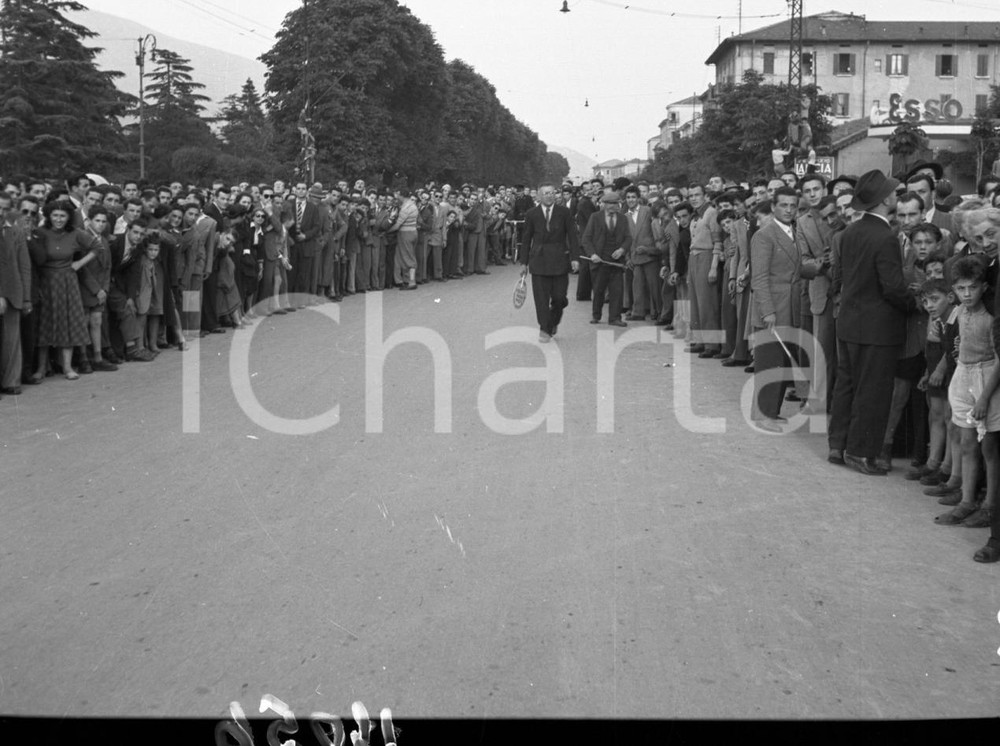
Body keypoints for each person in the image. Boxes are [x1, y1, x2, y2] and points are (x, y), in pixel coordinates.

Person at [827, 170, 916, 475]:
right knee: (874, 390)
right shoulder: (885, 237)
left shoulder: (850, 232)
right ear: (884, 200)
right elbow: (891, 286)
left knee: (846, 385)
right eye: (891, 191)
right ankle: (861, 452)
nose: (895, 194)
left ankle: (837, 446)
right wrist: (912, 302)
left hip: (850, 322)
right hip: (878, 327)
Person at [27, 199, 100, 381]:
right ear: (49, 216)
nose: (59, 219)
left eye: (63, 216)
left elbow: (96, 247)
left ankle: (67, 367)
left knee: (67, 323)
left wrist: (78, 263)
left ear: (68, 218)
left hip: (68, 282)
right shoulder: (40, 233)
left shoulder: (76, 233)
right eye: (55, 215)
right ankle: (41, 369)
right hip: (46, 281)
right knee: (45, 323)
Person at [749, 187, 802, 431]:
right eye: (783, 205)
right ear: (773, 207)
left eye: (793, 205)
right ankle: (762, 414)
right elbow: (759, 277)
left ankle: (773, 411)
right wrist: (767, 311)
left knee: (781, 361)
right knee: (769, 361)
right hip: (772, 305)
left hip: (791, 304)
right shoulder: (764, 235)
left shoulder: (795, 231)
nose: (789, 210)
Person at [518, 183, 579, 342]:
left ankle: (553, 321)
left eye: (552, 193)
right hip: (538, 261)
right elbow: (526, 239)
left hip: (559, 260)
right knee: (541, 299)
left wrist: (575, 258)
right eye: (545, 193)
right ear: (539, 196)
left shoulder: (564, 213)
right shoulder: (532, 214)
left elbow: (572, 236)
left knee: (560, 298)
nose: (549, 196)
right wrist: (523, 263)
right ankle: (545, 328)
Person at [582, 192, 631, 326]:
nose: (611, 206)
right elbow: (586, 239)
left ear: (618, 205)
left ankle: (615, 318)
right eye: (608, 204)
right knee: (598, 289)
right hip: (599, 261)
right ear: (603, 204)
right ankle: (596, 315)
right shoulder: (595, 217)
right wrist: (592, 255)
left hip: (617, 263)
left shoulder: (623, 219)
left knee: (617, 290)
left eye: (614, 204)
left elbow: (628, 238)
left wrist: (622, 250)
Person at [1, 195, 33, 394]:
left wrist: (26, 297)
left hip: (14, 292)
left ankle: (11, 380)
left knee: (12, 340)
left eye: (4, 209)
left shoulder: (15, 231)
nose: (0, 213)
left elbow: (24, 266)